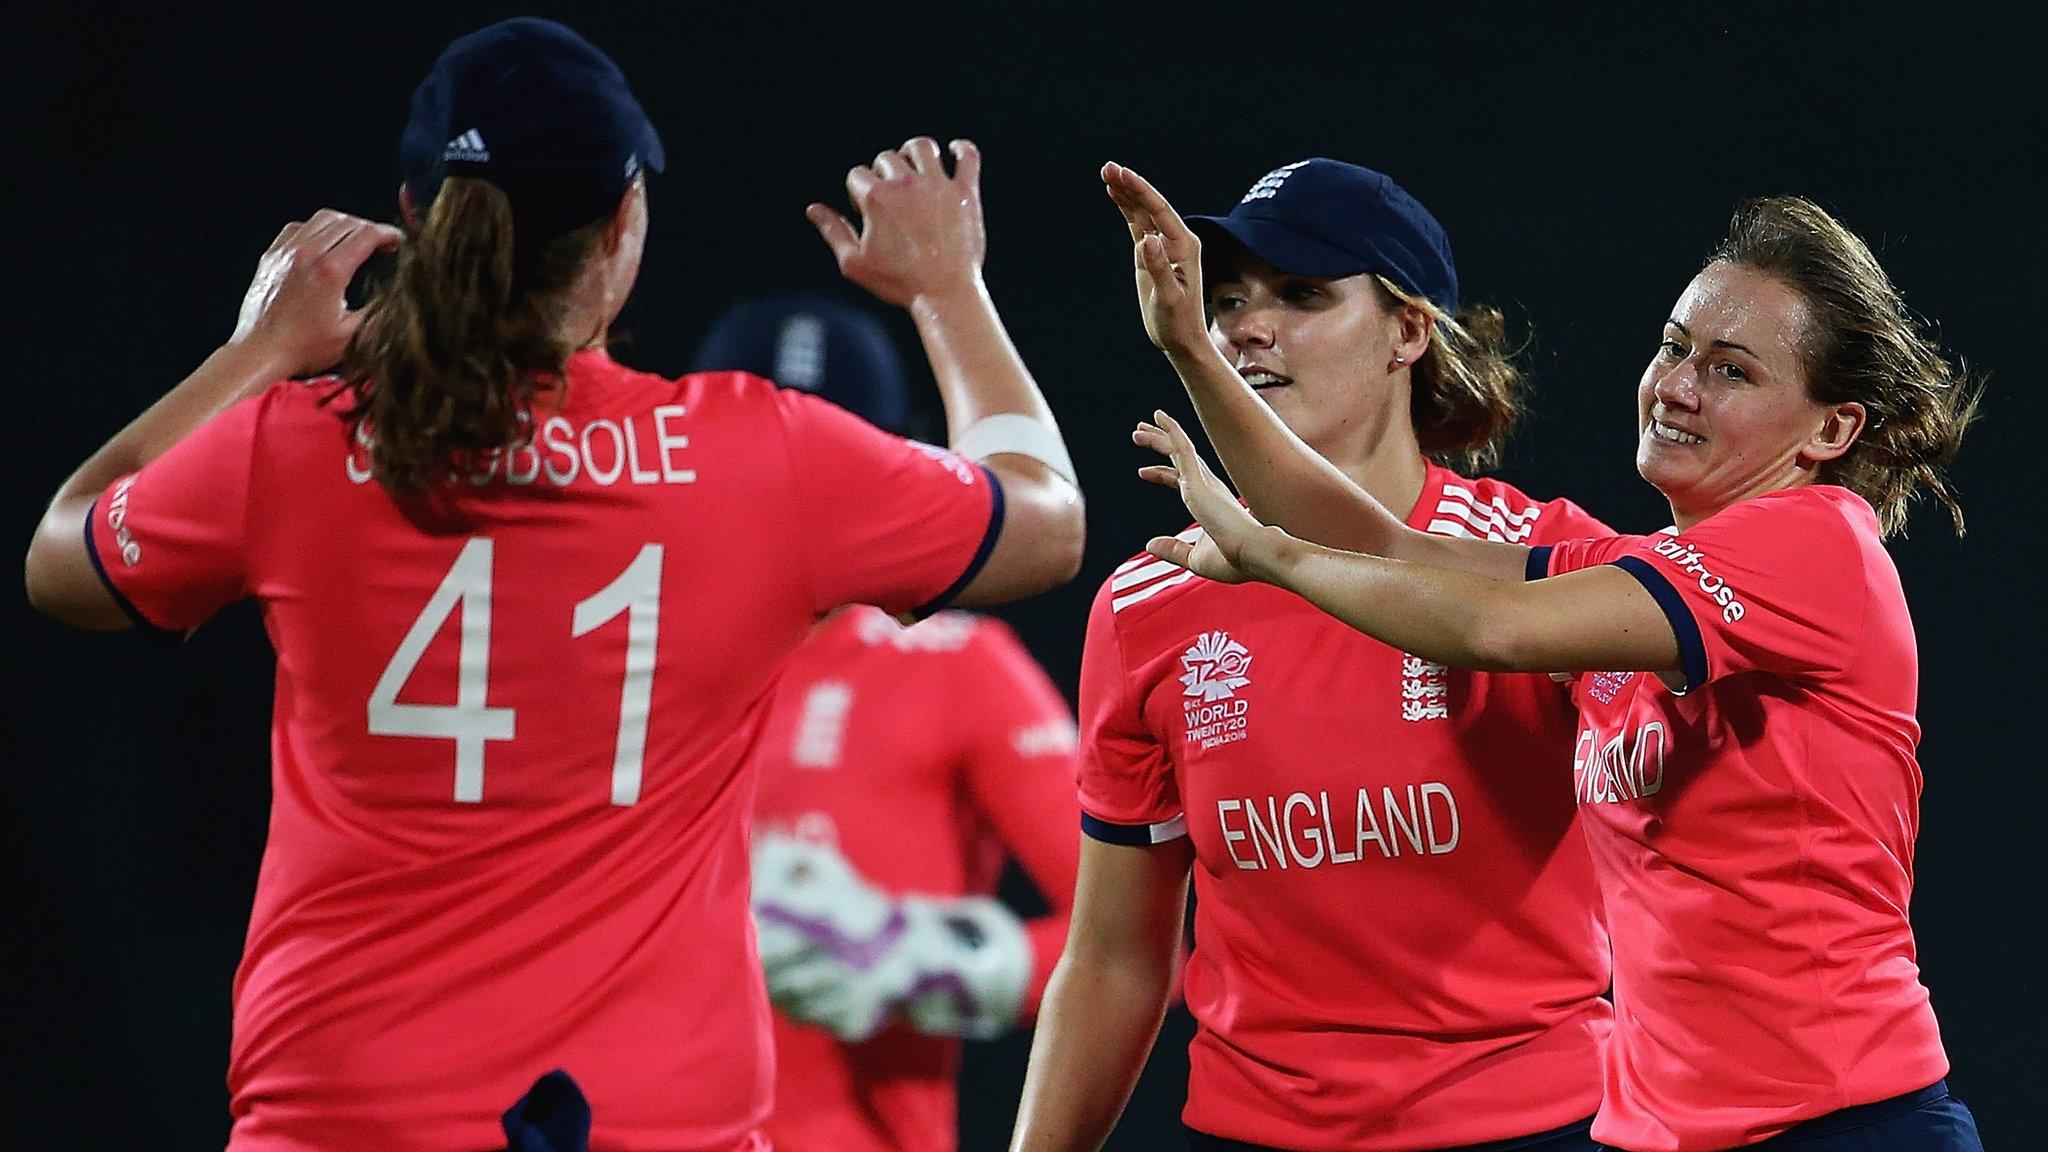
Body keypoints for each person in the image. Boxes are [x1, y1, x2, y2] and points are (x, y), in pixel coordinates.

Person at [22, 18, 1083, 1152]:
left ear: (421, 216)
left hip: (341, 1107)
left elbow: (64, 558)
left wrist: (258, 352)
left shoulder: (290, 445)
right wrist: (945, 290)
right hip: (648, 1117)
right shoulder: (753, 457)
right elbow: (1044, 516)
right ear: (625, 226)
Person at [1119, 166, 1985, 1151]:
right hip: (1665, 1132)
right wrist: (1190, 347)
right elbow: (1387, 548)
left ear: (1832, 429)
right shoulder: (1637, 573)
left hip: (1842, 1127)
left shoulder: (1817, 544)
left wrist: (1269, 554)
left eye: (1729, 370)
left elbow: (1492, 631)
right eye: (1672, 348)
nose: (1676, 388)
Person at [1011, 159, 1614, 1152]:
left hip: (1527, 1129)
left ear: (1408, 332)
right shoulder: (1149, 604)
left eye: (1300, 295)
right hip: (1250, 1133)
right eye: (1230, 298)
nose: (1249, 325)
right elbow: (1115, 958)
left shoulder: (1533, 564)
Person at [691, 296, 1082, 1152]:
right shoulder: (623, 641)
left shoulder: (957, 667)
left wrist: (924, 958)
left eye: (827, 456)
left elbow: (1140, 935)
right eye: (756, 455)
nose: (786, 489)